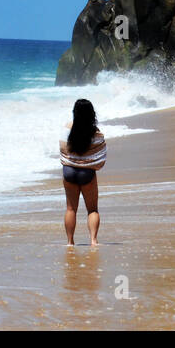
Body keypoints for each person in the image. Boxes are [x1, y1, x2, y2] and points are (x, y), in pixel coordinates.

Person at [59, 98, 105, 246]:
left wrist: (73, 162)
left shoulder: (67, 128)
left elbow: (63, 149)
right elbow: (100, 156)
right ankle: (93, 240)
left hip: (69, 171)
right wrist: (87, 163)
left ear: (75, 112)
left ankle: (70, 242)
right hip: (87, 174)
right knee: (92, 209)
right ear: (92, 114)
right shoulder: (96, 133)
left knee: (70, 208)